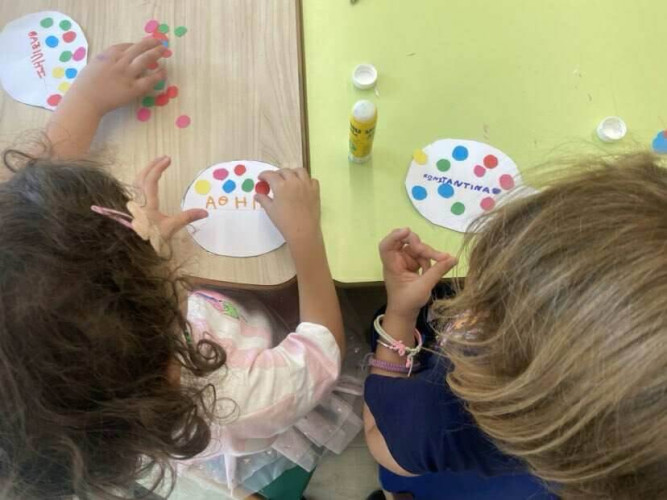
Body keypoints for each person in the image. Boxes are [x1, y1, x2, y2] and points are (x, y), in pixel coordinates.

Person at [0, 38, 360, 499]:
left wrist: (86, 100)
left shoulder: (78, 361)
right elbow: (319, 353)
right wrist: (306, 237)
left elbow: (29, 211)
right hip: (265, 358)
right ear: (170, 359)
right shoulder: (231, 395)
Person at [364, 155, 667, 499]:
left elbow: (379, 438)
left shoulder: (447, 415)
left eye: (483, 305)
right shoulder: (625, 450)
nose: (464, 309)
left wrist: (400, 313)